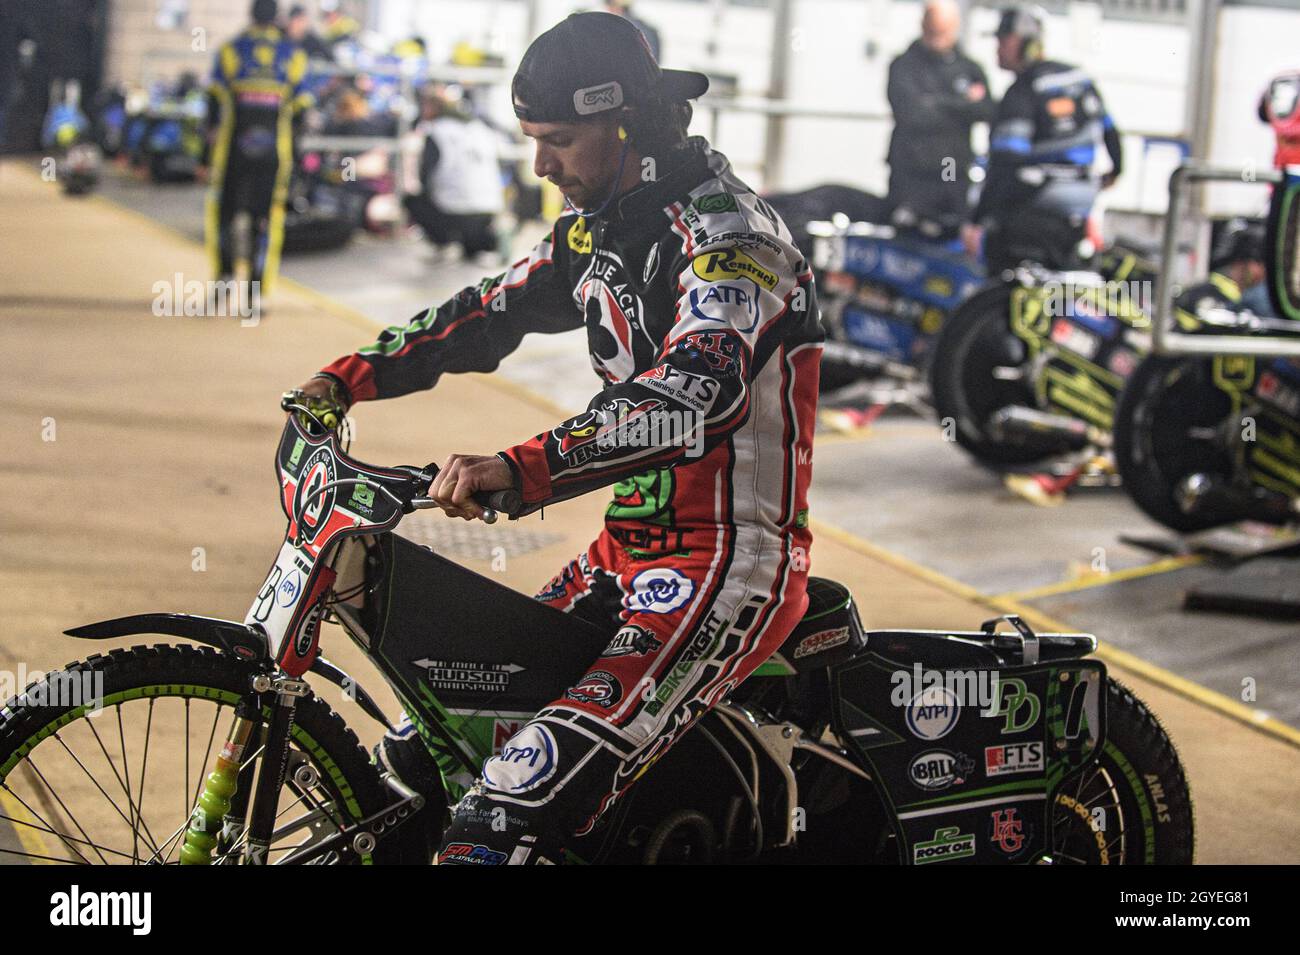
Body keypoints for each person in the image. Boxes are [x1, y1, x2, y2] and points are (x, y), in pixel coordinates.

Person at [292, 11, 822, 865]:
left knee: (500, 811)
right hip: (624, 554)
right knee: (430, 753)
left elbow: (693, 394)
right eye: (533, 139)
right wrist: (348, 375)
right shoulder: (599, 227)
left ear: (629, 125)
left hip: (726, 566)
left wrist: (520, 467)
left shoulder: (734, 237)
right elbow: (484, 314)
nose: (541, 164)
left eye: (560, 141)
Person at [963, 4, 1122, 274]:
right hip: (1078, 212)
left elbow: (1005, 163)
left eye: (1003, 41)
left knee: (1002, 275)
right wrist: (1116, 170)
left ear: (1025, 43)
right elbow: (1110, 131)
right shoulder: (1077, 78)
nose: (998, 49)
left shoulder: (1023, 91)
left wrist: (978, 220)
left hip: (1034, 210)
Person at [204, 0, 312, 300]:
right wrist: (299, 161)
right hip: (275, 153)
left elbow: (211, 105)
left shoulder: (230, 50)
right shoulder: (293, 54)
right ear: (277, 17)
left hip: (232, 152)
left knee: (224, 215)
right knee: (265, 219)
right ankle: (256, 293)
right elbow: (302, 112)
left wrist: (204, 155)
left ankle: (223, 281)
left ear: (250, 14)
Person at [886, 0, 994, 236]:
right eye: (932, 30)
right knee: (907, 234)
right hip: (912, 170)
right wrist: (961, 104)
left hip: (950, 167)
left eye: (942, 31)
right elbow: (912, 113)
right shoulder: (905, 66)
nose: (937, 37)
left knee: (952, 231)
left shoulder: (969, 68)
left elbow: (986, 110)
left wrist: (936, 102)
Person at [403, 86, 505, 260]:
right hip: (489, 207)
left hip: (451, 207)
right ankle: (479, 245)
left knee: (411, 200)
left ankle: (443, 243)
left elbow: (426, 174)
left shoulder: (437, 131)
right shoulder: (480, 128)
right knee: (472, 239)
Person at [1176, 221, 1270, 326]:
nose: (1265, 271)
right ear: (1242, 264)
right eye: (1260, 263)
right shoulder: (1215, 294)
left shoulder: (1252, 295)